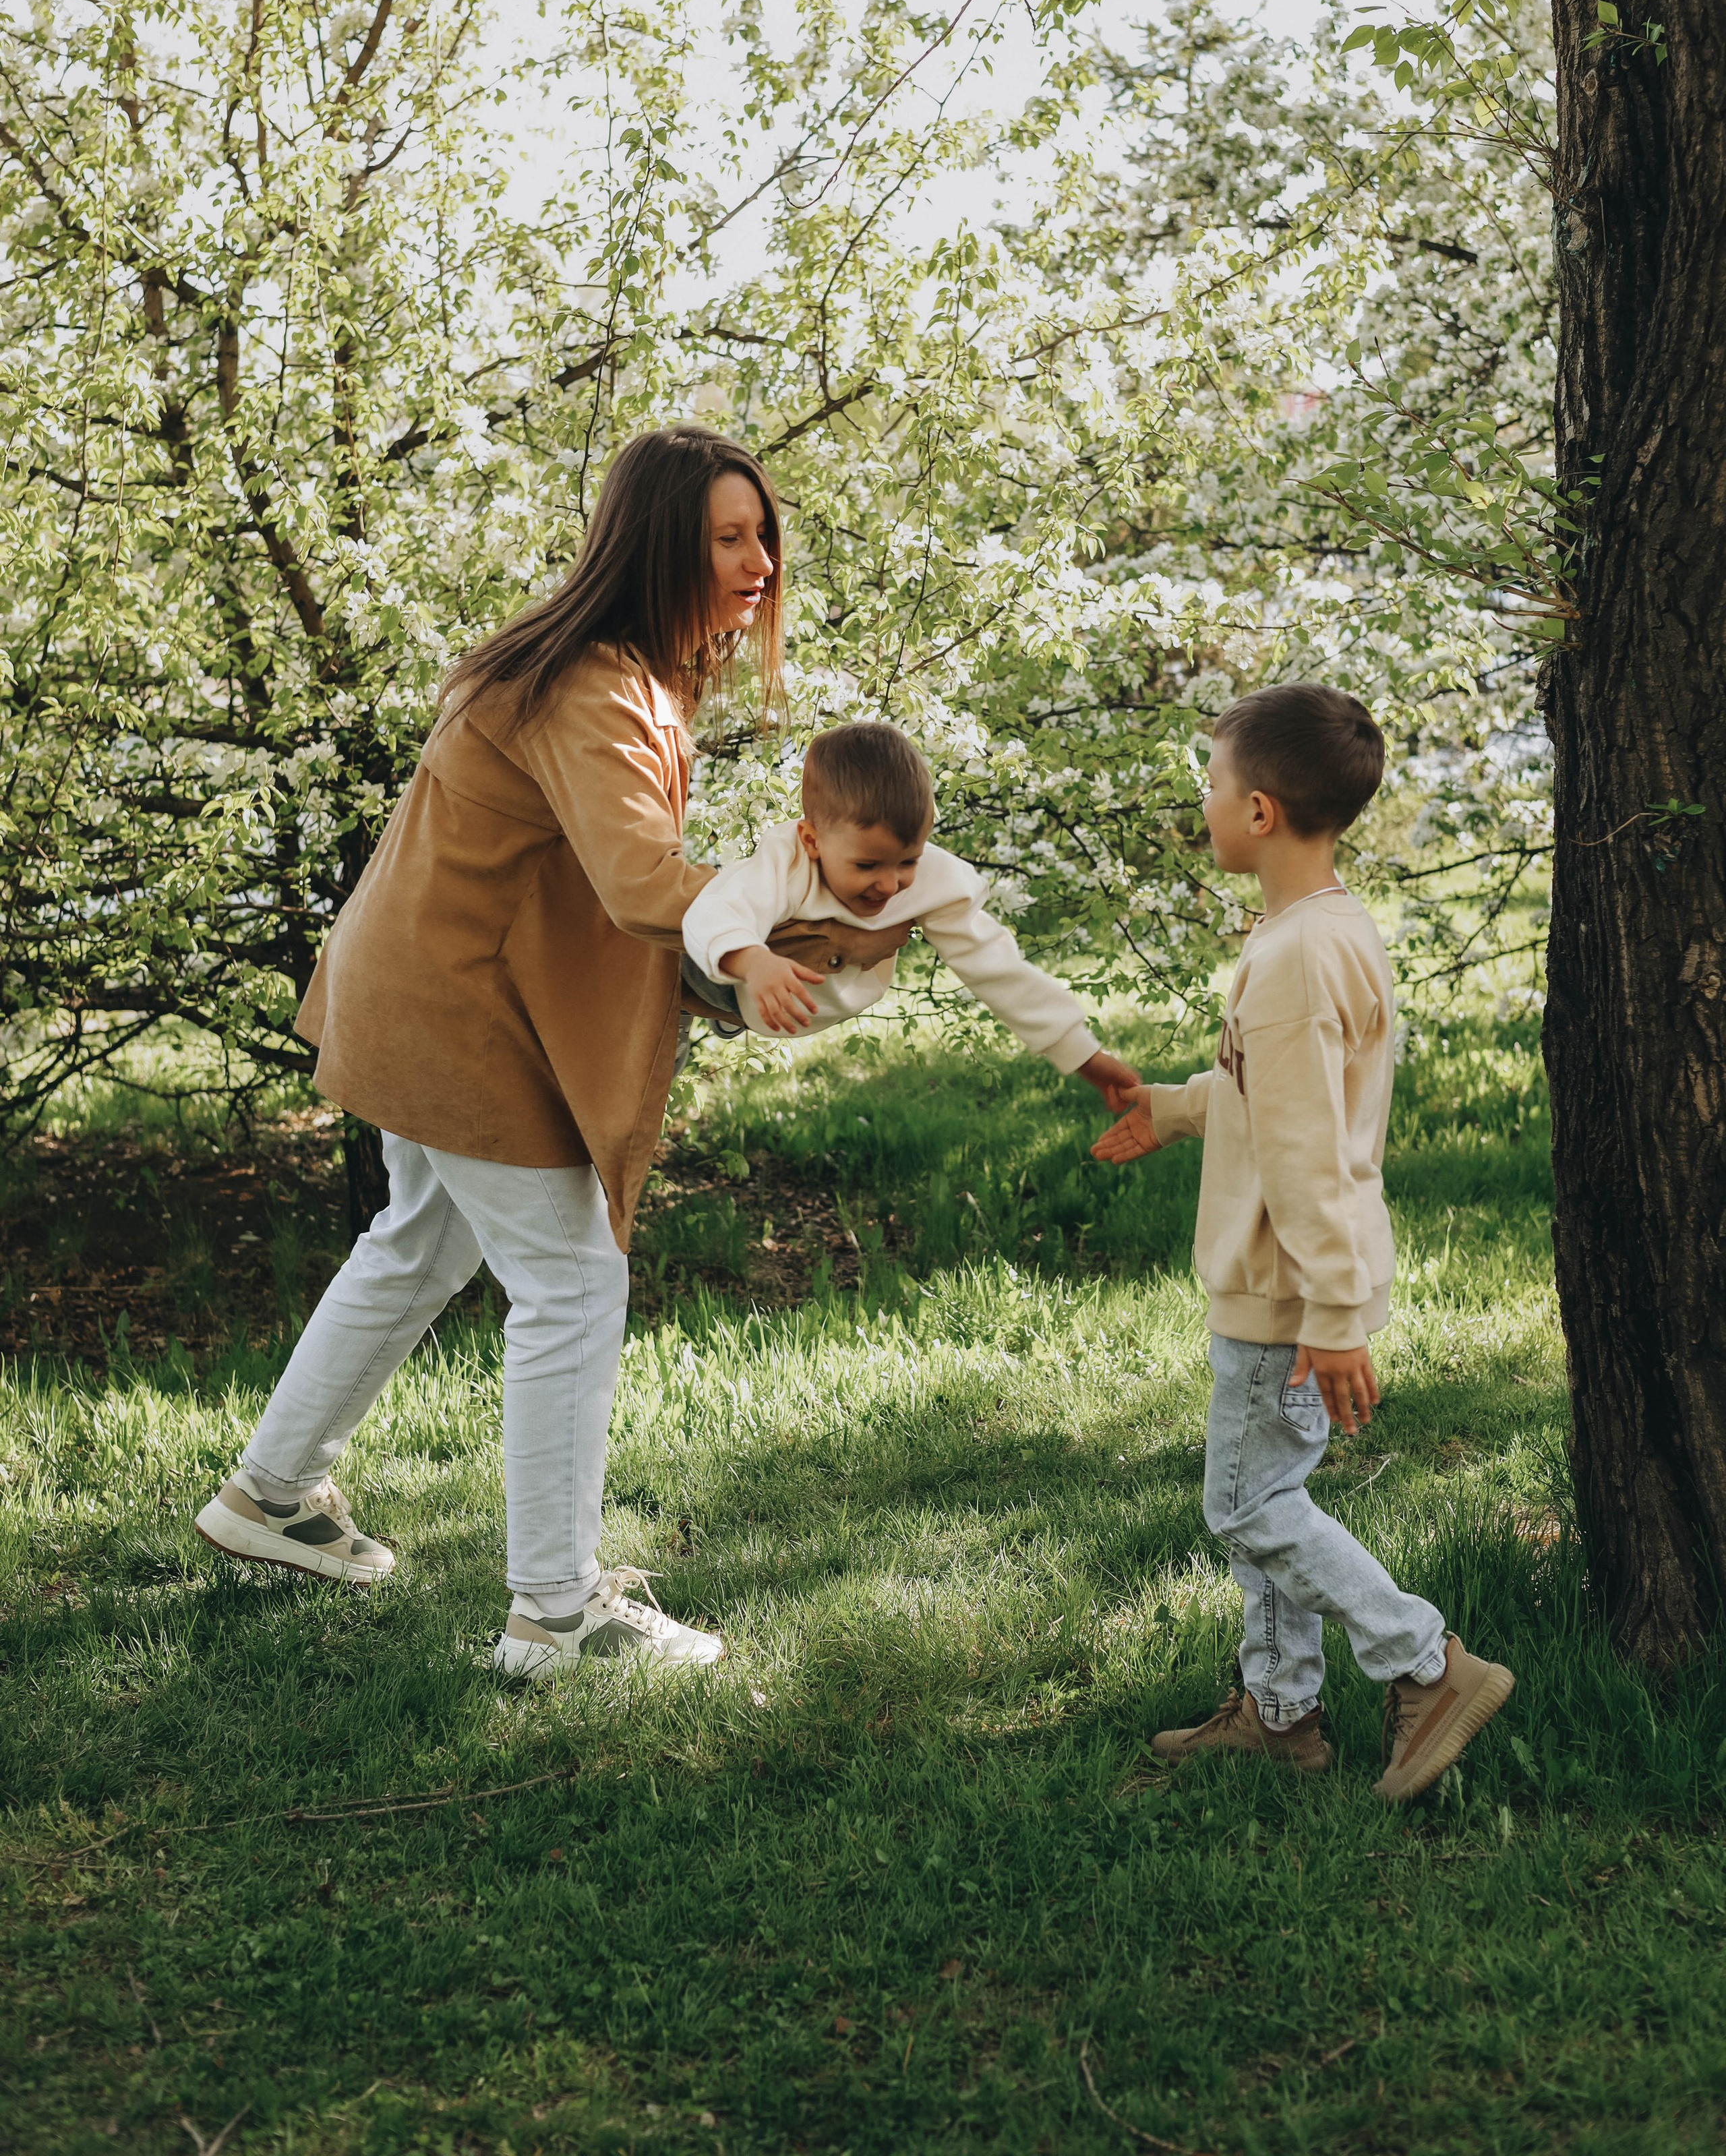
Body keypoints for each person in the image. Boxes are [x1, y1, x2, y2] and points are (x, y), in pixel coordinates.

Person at [195, 426, 780, 1680]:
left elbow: (606, 883)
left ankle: (270, 1497)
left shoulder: (605, 669)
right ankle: (556, 1616)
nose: (759, 563)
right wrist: (785, 923)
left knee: (416, 1243)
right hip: (461, 1011)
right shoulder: (597, 687)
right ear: (662, 543)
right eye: (729, 538)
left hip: (417, 993)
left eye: (762, 535)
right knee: (573, 1287)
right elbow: (638, 884)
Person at [1091, 684, 1514, 1801]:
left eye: (1215, 786)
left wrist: (1330, 1315)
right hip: (1286, 1285)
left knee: (1249, 1507)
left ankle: (1426, 1664)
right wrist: (1179, 1107)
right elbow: (1278, 1103)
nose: (1207, 804)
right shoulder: (1322, 930)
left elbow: (1309, 1156)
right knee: (1267, 1504)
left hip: (1287, 1291)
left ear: (1263, 811)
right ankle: (1282, 1714)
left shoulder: (1290, 963)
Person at [680, 720, 1141, 1112]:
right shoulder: (786, 860)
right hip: (719, 982)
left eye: (908, 861)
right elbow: (717, 911)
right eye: (867, 866)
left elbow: (999, 969)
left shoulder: (935, 879)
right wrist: (754, 963)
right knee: (676, 953)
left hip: (803, 1000)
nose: (889, 884)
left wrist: (1084, 1055)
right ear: (813, 840)